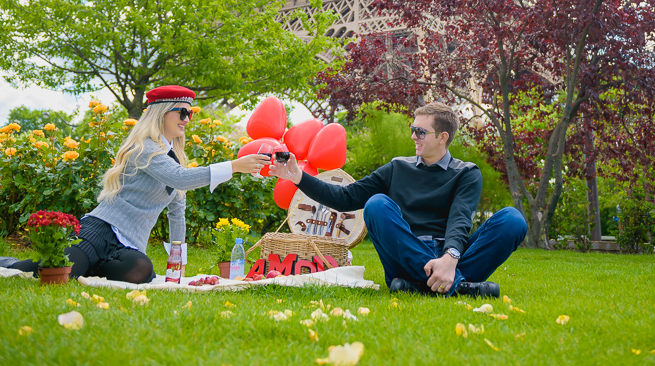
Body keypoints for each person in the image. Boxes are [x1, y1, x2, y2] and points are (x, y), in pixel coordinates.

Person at [1, 85, 269, 284]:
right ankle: (9, 263)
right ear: (162, 113)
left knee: (141, 270)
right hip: (99, 230)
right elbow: (180, 179)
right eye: (183, 113)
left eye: (190, 115)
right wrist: (234, 166)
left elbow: (178, 212)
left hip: (128, 245)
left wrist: (180, 263)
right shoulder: (145, 149)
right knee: (55, 271)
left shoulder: (173, 157)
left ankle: (90, 266)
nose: (187, 120)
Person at [269, 101, 527, 298]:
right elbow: (345, 198)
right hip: (404, 259)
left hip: (451, 258)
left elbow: (460, 218)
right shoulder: (396, 168)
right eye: (412, 129)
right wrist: (297, 176)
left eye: (420, 131)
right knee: (376, 204)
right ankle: (459, 286)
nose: (413, 136)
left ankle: (422, 285)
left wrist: (449, 258)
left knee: (513, 220)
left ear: (442, 137)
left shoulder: (466, 173)